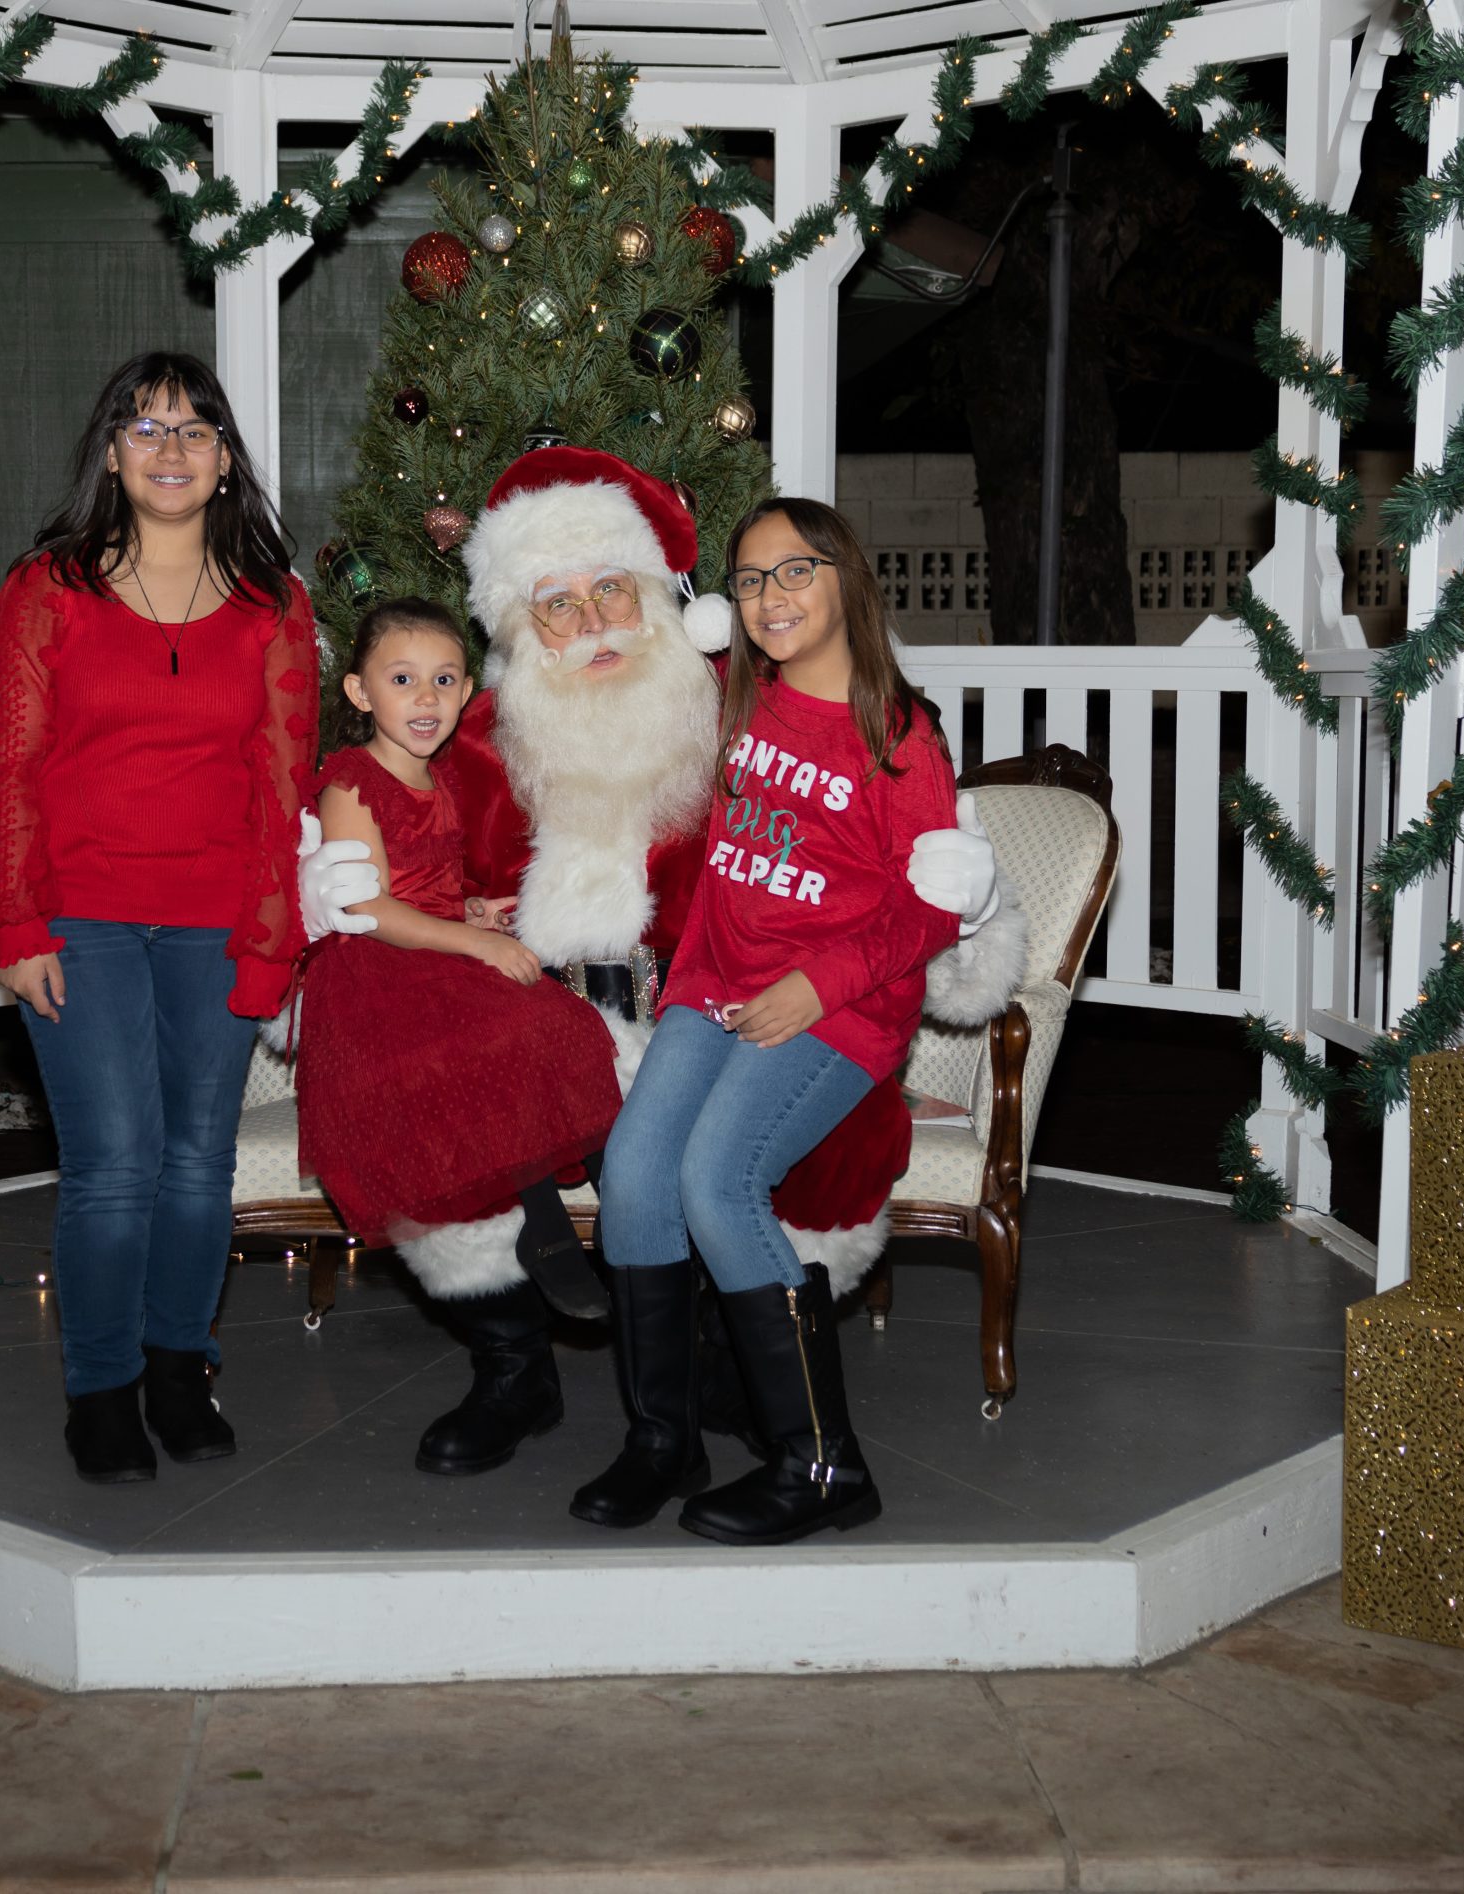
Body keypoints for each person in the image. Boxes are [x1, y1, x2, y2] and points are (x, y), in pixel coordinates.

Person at [292, 448, 1025, 1481]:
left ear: (667, 600)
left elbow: (904, 857)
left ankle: (752, 1390)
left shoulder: (726, 703)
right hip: (568, 1019)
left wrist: (964, 911)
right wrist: (349, 895)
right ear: (517, 630)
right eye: (556, 604)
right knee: (446, 1101)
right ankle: (525, 1371)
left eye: (614, 590)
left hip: (765, 1013)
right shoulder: (468, 739)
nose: (593, 622)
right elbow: (396, 861)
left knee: (768, 1161)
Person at [0, 351, 317, 1485]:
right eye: (145, 428)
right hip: (81, 918)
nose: (170, 449)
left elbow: (282, 787)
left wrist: (270, 942)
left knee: (198, 1165)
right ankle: (100, 1389)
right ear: (111, 453)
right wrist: (16, 929)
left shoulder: (273, 605)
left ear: (225, 461)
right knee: (114, 1164)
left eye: (195, 430)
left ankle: (178, 1370)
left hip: (214, 921)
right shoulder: (49, 589)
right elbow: (6, 767)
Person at [578, 497, 962, 1545]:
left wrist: (817, 986)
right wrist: (688, 985)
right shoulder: (741, 705)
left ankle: (823, 1463)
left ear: (844, 580)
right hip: (717, 986)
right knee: (635, 1175)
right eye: (749, 579)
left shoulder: (900, 736)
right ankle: (664, 1439)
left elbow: (932, 906)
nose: (770, 596)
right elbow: (722, 869)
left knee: (716, 1180)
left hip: (839, 1007)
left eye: (794, 571)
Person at [296, 601, 624, 1420]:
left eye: (444, 681)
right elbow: (367, 904)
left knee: (558, 1028)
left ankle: (607, 1233)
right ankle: (540, 1229)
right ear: (360, 692)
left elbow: (430, 887)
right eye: (403, 680)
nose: (426, 698)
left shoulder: (440, 777)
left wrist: (471, 912)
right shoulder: (352, 779)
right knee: (479, 1044)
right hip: (376, 971)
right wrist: (469, 941)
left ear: (467, 688)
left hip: (436, 952)